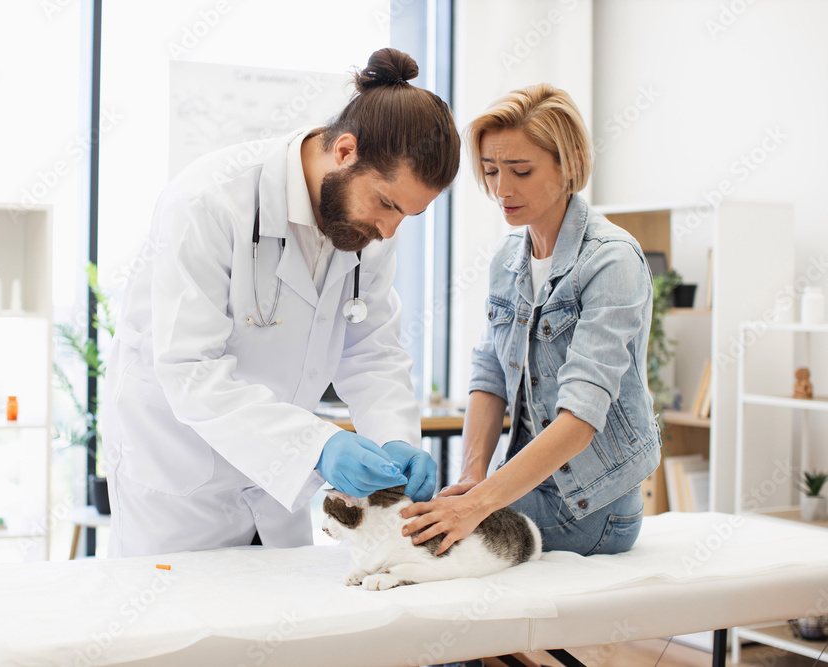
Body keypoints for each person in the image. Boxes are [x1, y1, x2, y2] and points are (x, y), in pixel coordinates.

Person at [102, 48, 459, 557]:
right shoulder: (209, 202)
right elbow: (189, 369)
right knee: (179, 627)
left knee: (276, 623)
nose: (389, 229)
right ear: (345, 151)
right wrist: (318, 445)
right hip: (181, 479)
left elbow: (372, 351)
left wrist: (395, 436)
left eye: (407, 215)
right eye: (386, 204)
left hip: (276, 485)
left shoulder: (371, 227)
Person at [401, 82, 660, 560]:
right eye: (491, 170)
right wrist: (471, 479)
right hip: (524, 488)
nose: (502, 189)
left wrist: (476, 506)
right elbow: (490, 375)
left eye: (520, 170)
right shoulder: (508, 260)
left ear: (570, 164)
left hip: (593, 508)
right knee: (417, 521)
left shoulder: (612, 262)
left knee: (424, 542)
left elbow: (582, 415)